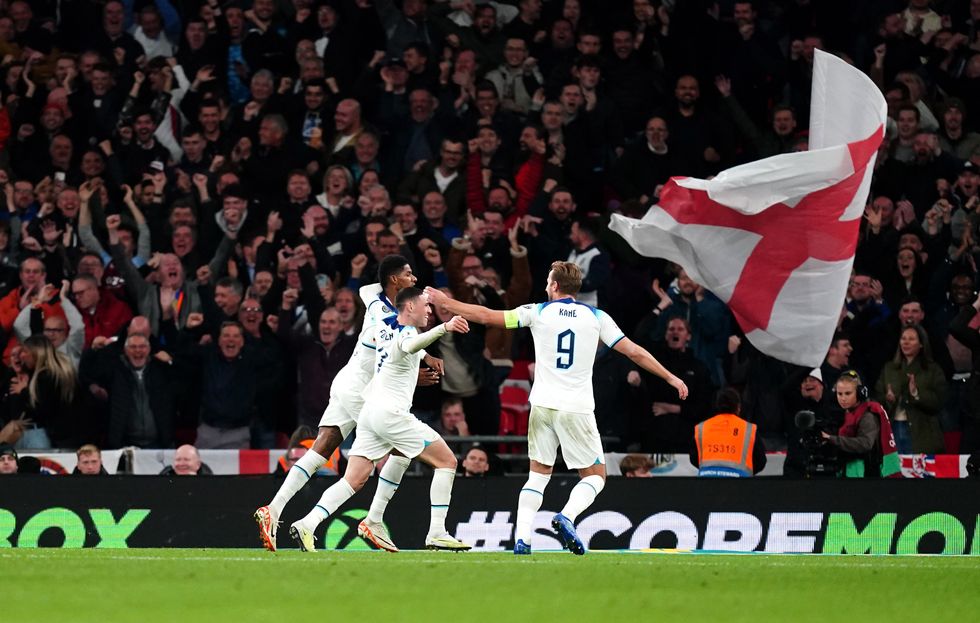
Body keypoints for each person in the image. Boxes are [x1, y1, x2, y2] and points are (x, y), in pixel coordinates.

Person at [424, 261, 689, 556]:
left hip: (542, 405)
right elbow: (635, 351)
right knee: (595, 477)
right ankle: (566, 516)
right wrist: (670, 376)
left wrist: (445, 301)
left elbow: (487, 316)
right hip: (576, 407)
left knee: (537, 475)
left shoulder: (537, 312)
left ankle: (522, 539)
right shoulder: (597, 317)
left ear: (554, 286)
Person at [254, 255, 438, 552]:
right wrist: (420, 368)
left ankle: (275, 510)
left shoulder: (375, 299)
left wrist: (422, 357)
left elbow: (367, 290)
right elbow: (389, 361)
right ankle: (372, 521)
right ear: (394, 280)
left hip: (346, 381)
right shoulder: (387, 319)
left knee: (322, 448)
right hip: (362, 391)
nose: (414, 278)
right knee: (402, 449)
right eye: (408, 274)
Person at [289, 287, 472, 553]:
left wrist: (427, 355)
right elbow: (409, 344)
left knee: (355, 478)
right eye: (426, 306)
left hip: (369, 412)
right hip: (392, 415)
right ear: (410, 307)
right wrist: (445, 327)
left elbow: (369, 296)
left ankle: (310, 522)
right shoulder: (408, 332)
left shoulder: (383, 324)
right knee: (447, 461)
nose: (430, 311)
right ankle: (437, 532)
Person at [874, 324, 947, 454]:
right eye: (903, 338)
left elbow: (939, 401)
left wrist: (916, 394)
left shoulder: (932, 370)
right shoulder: (889, 368)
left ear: (921, 344)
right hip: (893, 428)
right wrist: (887, 399)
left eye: (911, 339)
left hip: (922, 432)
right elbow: (877, 398)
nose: (906, 342)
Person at [822, 371, 901, 478]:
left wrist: (832, 439)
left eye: (848, 393)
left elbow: (865, 444)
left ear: (860, 393)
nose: (843, 398)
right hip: (851, 472)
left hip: (865, 475)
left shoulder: (868, 415)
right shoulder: (847, 413)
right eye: (839, 394)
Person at [689, 388, 767, 477]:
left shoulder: (701, 428)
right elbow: (761, 460)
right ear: (738, 407)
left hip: (707, 481)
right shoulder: (749, 429)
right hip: (739, 483)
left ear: (717, 406)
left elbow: (693, 457)